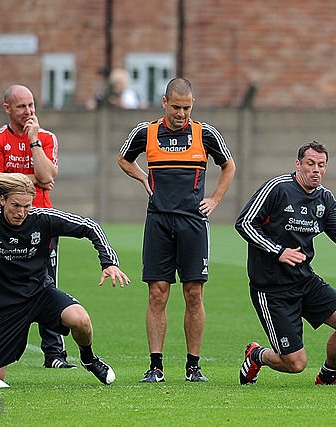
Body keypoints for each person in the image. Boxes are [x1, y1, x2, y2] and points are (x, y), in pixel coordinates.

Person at [0, 173, 129, 385]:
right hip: (4, 307)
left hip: (41, 294)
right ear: (2, 200)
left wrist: (109, 262)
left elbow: (89, 226)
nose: (21, 212)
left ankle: (88, 358)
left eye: (27, 206)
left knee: (81, 319)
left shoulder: (42, 219)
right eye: (16, 205)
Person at [118, 77, 236, 383]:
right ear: (164, 103)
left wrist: (215, 198)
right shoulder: (146, 132)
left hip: (193, 223)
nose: (181, 113)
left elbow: (229, 166)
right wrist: (143, 177)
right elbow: (123, 159)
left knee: (193, 293)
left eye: (186, 107)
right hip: (158, 220)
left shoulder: (205, 134)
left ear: (192, 105)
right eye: (176, 107)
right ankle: (155, 367)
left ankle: (193, 367)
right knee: (157, 294)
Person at [236, 141, 336, 386]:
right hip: (272, 289)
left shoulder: (325, 198)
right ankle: (257, 354)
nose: (316, 170)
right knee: (295, 364)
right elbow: (244, 223)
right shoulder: (277, 188)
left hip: (305, 281)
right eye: (310, 164)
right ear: (298, 165)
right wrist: (278, 251)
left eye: (321, 165)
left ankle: (328, 376)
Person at [0, 84, 69, 370]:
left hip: (41, 222)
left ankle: (54, 354)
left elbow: (48, 175)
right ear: (7, 109)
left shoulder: (46, 138)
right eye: (21, 107)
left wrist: (33, 142)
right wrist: (34, 180)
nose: (28, 111)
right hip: (4, 226)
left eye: (31, 105)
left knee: (48, 284)